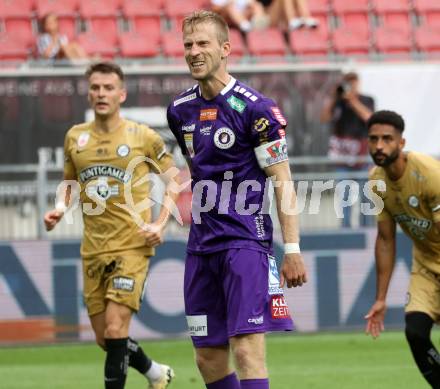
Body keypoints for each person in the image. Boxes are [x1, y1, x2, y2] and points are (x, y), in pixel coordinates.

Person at [167, 10, 307, 389]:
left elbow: (282, 180)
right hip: (201, 246)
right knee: (208, 357)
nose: (193, 52)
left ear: (226, 48)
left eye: (202, 44)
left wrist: (291, 248)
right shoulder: (179, 111)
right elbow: (197, 169)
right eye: (188, 45)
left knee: (246, 350)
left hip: (244, 243)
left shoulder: (257, 110)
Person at [44, 62, 176, 389]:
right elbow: (70, 183)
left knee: (117, 331)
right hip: (93, 249)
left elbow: (175, 180)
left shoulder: (141, 136)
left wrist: (161, 224)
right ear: (89, 93)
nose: (101, 94)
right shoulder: (75, 137)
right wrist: (59, 208)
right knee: (107, 340)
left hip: (132, 246)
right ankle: (156, 374)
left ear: (122, 94)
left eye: (108, 88)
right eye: (96, 88)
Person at [364, 110, 440, 388]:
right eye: (373, 139)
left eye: (387, 139)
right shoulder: (376, 181)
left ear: (401, 143)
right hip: (427, 267)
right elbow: (385, 239)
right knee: (416, 333)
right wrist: (381, 298)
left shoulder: (430, 174)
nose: (379, 146)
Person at [320, 71, 375, 227]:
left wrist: (353, 100)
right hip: (343, 158)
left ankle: (367, 229)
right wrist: (333, 98)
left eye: (353, 83)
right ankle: (346, 230)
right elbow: (324, 118)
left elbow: (369, 118)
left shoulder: (366, 99)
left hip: (362, 155)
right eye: (347, 83)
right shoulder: (338, 103)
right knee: (345, 197)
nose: (351, 86)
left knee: (366, 196)